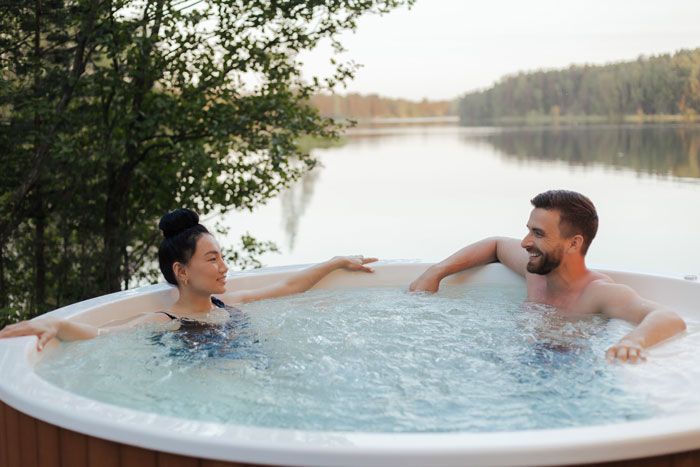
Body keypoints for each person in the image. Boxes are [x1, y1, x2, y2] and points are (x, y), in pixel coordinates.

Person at [0, 209, 377, 350]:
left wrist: (335, 261)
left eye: (223, 257)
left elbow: (289, 287)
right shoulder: (163, 322)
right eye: (212, 259)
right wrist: (55, 323)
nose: (224, 267)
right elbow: (101, 334)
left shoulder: (229, 304)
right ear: (181, 272)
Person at [409, 189, 686, 363]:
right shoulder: (537, 273)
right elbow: (494, 244)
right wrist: (436, 272)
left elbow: (669, 318)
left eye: (538, 234)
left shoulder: (598, 292)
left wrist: (632, 341)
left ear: (574, 244)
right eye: (529, 230)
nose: (525, 242)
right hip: (520, 361)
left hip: (570, 372)